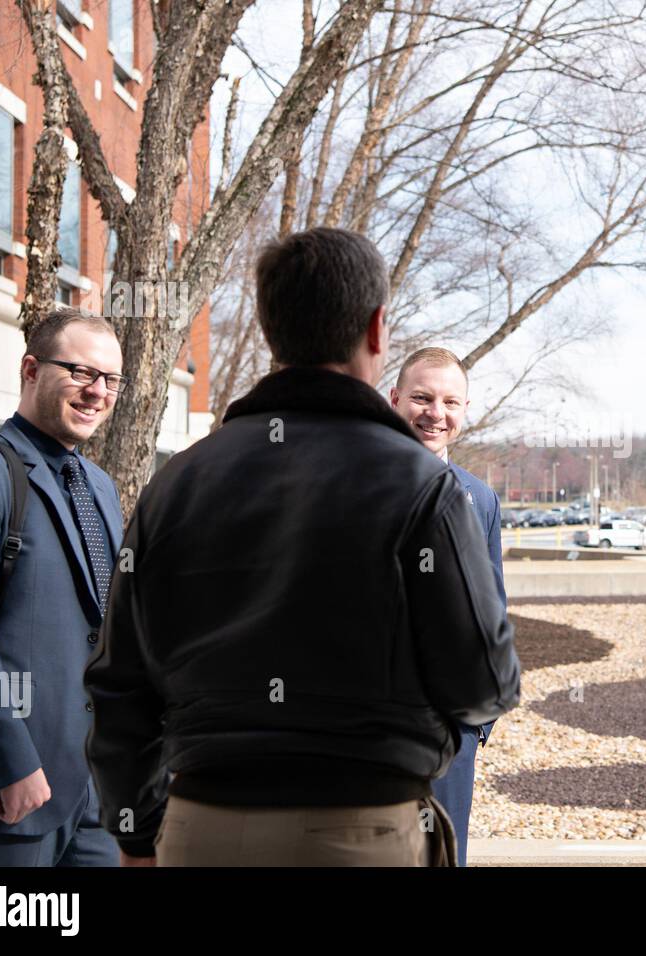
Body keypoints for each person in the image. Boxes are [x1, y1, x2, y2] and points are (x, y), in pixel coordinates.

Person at [84, 227, 520, 867]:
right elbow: (485, 679)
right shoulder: (426, 489)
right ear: (376, 331)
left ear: (269, 329)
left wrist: (135, 830)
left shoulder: (178, 483)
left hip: (203, 827)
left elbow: (121, 681)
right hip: (363, 829)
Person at [0, 308, 125, 866]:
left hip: (94, 797)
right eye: (81, 373)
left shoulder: (102, 489)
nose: (98, 392)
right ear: (32, 369)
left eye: (111, 379)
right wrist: (8, 762)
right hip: (6, 799)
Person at [390, 346, 505, 866]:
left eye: (450, 402)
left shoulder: (479, 499)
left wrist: (478, 721)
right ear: (394, 400)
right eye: (422, 398)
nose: (436, 413)